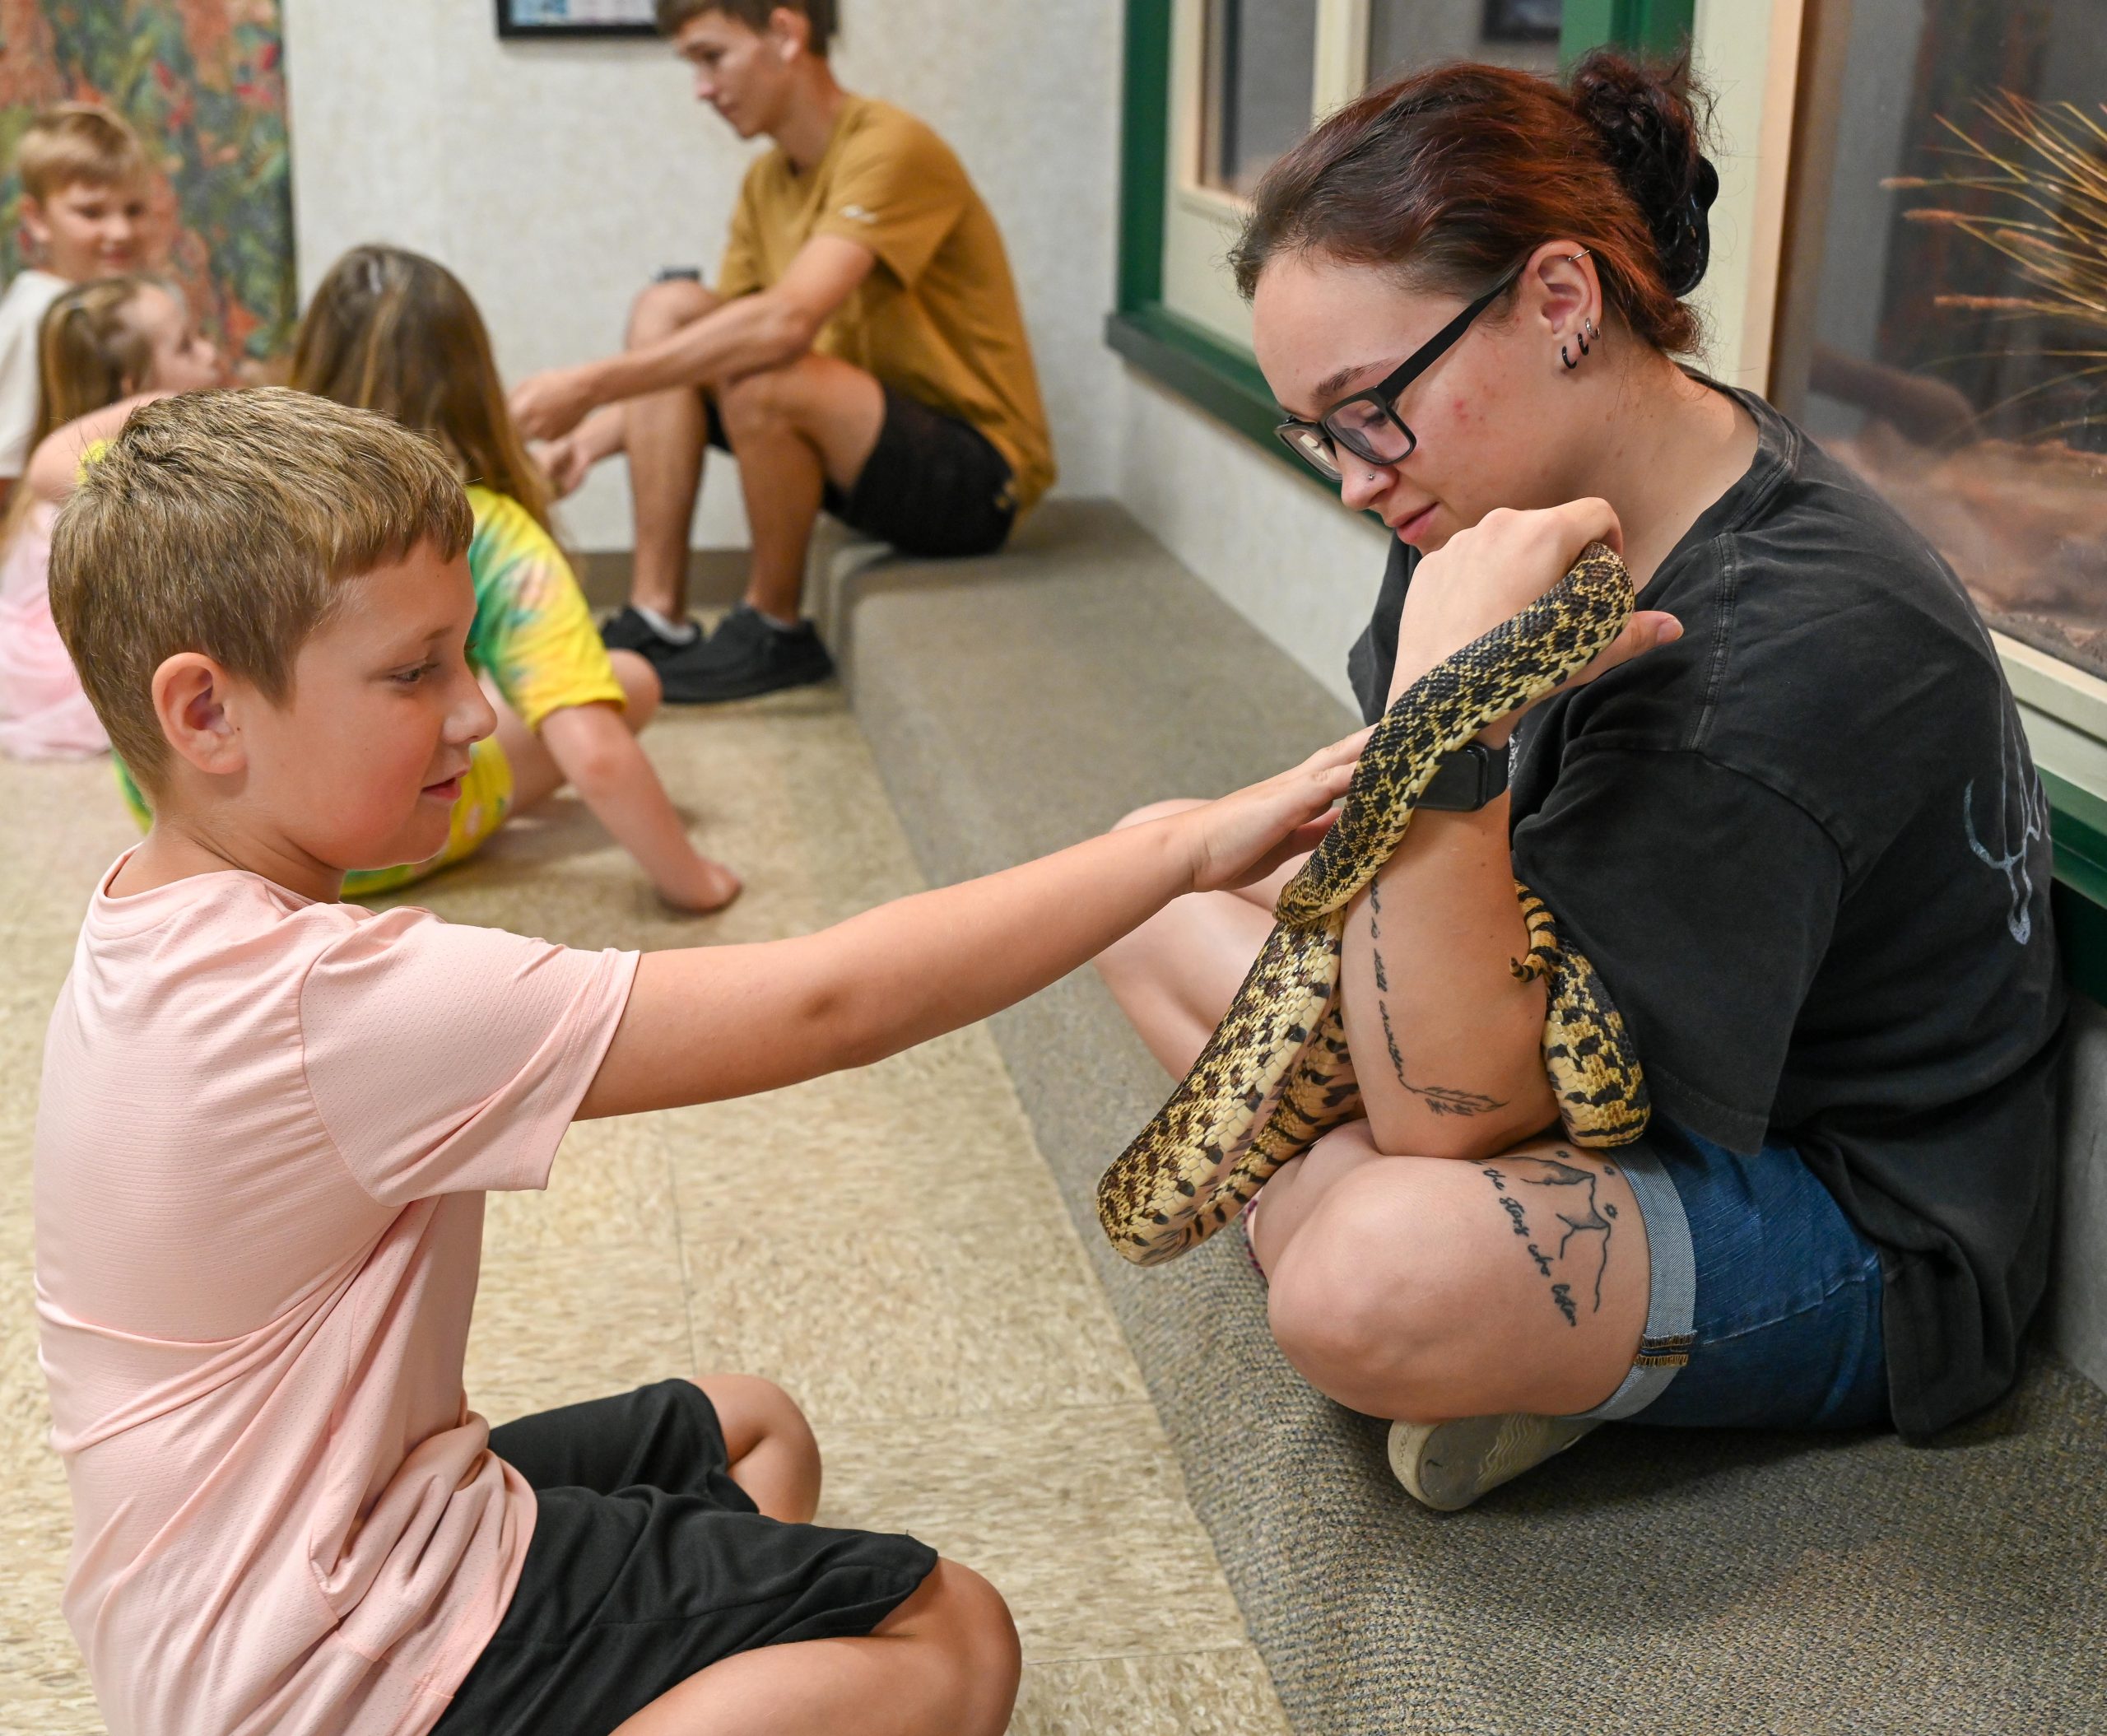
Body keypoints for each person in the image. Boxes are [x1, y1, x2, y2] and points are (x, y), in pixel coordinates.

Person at [35, 387, 1365, 1735]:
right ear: (205, 712)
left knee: (754, 1431)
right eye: (414, 671)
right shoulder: (332, 1002)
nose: (476, 710)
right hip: (319, 1662)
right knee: (952, 1641)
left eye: (464, 655)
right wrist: (1177, 850)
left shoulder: (147, 919)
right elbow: (831, 1001)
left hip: (225, 1611)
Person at [1095, 51, 2065, 1511]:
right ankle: (1494, 1324)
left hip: (1839, 1202)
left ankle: (1427, 1286)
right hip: (1548, 1021)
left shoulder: (1776, 653)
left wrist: (1440, 721)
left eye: (1370, 408)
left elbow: (1460, 1113)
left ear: (1560, 300)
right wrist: (1430, 748)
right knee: (1150, 881)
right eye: (1320, 431)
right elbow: (1409, 873)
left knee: (1363, 1273)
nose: (1356, 478)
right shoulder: (1493, 494)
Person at [511, 0, 1055, 704]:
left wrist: (588, 384)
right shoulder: (765, 183)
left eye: (713, 58)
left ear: (786, 33)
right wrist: (583, 445)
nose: (701, 89)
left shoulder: (893, 148)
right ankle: (656, 617)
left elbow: (785, 326)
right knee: (667, 309)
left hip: (975, 479)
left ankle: (776, 625)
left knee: (764, 372)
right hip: (857, 449)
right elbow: (703, 361)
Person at [277, 244, 737, 910]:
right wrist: (694, 881)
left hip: (226, 836)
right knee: (628, 679)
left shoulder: (256, 501)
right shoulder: (487, 532)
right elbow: (595, 753)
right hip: (368, 857)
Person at [0, 273, 220, 758]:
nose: (210, 353)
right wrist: (154, 407)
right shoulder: (128, 432)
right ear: (131, 388)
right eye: (186, 345)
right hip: (65, 667)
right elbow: (43, 470)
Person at [0, 103, 151, 505]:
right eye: (91, 212)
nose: (120, 231)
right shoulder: (36, 314)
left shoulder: (124, 302)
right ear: (36, 219)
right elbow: (5, 470)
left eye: (134, 210)